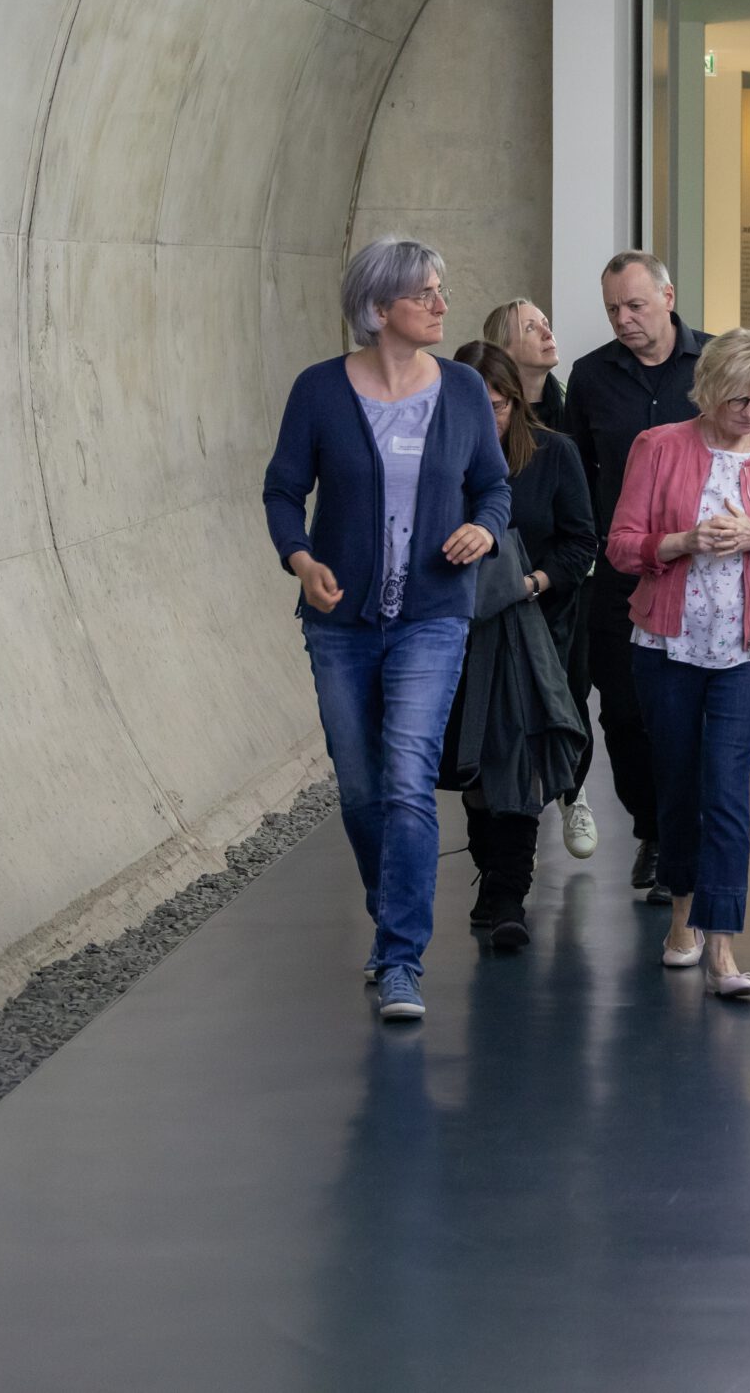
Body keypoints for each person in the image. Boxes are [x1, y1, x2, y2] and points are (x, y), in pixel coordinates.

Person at [263, 239, 511, 1022]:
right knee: (362, 785)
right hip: (340, 621)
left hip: (434, 617)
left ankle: (401, 958)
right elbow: (281, 492)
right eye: (425, 295)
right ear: (379, 310)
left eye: (441, 290)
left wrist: (485, 531)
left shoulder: (466, 389)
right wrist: (300, 559)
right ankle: (390, 901)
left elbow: (494, 487)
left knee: (408, 780)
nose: (442, 305)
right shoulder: (319, 391)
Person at [606, 329, 750, 998]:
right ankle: (682, 915)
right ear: (712, 390)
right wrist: (683, 541)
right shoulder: (658, 447)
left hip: (747, 651)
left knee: (726, 790)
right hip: (666, 647)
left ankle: (723, 944)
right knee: (679, 785)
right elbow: (621, 546)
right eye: (740, 400)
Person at [567, 252, 711, 906]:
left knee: (691, 714)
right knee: (623, 714)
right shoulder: (591, 377)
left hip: (703, 575)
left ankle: (684, 838)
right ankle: (652, 828)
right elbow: (576, 469)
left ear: (668, 297)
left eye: (635, 306)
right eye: (613, 310)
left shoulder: (713, 363)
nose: (624, 320)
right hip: (622, 575)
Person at [445, 340, 598, 948]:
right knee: (476, 766)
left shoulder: (555, 454)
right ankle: (492, 877)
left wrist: (529, 582)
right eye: (478, 406)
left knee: (520, 761)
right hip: (458, 633)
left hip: (537, 630)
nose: (491, 417)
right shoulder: (442, 462)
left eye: (501, 405)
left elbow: (581, 542)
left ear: (516, 401)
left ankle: (510, 892)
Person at [482, 296, 568, 433]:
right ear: (503, 350)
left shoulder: (570, 395)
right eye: (530, 328)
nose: (548, 334)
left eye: (546, 324)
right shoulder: (491, 409)